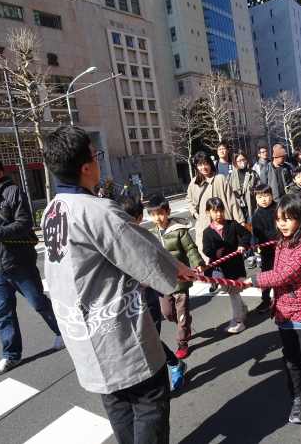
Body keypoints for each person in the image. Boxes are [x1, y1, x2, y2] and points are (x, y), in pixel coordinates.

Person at [41, 125, 197, 443]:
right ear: (86, 167)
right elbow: (145, 255)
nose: (99, 161)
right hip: (115, 330)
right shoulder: (96, 211)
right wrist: (178, 270)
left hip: (81, 331)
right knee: (149, 401)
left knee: (118, 405)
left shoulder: (52, 210)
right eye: (95, 156)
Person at [0, 156, 65, 377]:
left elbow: (23, 224)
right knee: (2, 314)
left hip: (20, 263)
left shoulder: (13, 192)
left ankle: (63, 332)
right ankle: (12, 355)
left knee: (39, 302)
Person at [240, 195, 301, 425]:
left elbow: (283, 274)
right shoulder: (283, 241)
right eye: (279, 219)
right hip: (284, 307)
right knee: (291, 358)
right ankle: (298, 398)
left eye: (288, 219)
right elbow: (279, 273)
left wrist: (253, 280)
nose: (282, 224)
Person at [116, 195, 188, 390]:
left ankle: (171, 366)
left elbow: (161, 261)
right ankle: (172, 364)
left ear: (139, 218)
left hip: (148, 297)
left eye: (128, 219)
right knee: (140, 340)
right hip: (126, 300)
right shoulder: (116, 237)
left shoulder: (145, 238)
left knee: (151, 338)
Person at [147, 195, 205, 360]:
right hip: (163, 282)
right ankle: (186, 321)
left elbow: (190, 248)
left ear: (168, 212)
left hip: (180, 281)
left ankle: (182, 342)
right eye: (153, 215)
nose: (157, 218)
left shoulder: (179, 230)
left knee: (180, 315)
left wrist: (198, 263)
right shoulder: (152, 234)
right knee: (167, 313)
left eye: (160, 213)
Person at [186, 151, 245, 292]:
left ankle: (227, 280)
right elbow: (189, 200)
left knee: (225, 252)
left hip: (222, 223)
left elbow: (231, 201)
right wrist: (195, 214)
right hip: (205, 225)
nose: (203, 167)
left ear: (210, 164)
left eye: (205, 163)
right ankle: (213, 279)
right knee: (209, 253)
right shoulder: (194, 183)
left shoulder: (220, 179)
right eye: (199, 164)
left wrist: (240, 221)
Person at [203, 197, 251, 334]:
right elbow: (206, 249)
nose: (219, 214)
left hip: (235, 265)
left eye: (221, 211)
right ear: (208, 213)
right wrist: (214, 253)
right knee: (231, 290)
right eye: (215, 211)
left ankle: (237, 321)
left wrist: (242, 245)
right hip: (220, 269)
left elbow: (246, 233)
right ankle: (243, 310)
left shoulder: (232, 224)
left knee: (233, 291)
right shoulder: (208, 232)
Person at [227, 149, 260, 269]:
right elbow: (228, 193)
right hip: (238, 209)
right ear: (234, 162)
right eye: (239, 160)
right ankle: (249, 255)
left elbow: (259, 188)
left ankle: (255, 251)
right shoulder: (231, 176)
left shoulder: (253, 173)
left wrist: (253, 189)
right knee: (242, 232)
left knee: (252, 230)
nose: (242, 162)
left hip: (251, 207)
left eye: (244, 160)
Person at [251, 184, 277, 313]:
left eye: (266, 195)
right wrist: (279, 234)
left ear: (272, 195)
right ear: (255, 198)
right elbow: (259, 234)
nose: (264, 199)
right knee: (267, 274)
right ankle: (266, 299)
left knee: (284, 273)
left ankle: (283, 297)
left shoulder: (279, 208)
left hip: (284, 248)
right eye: (260, 197)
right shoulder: (256, 216)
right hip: (267, 250)